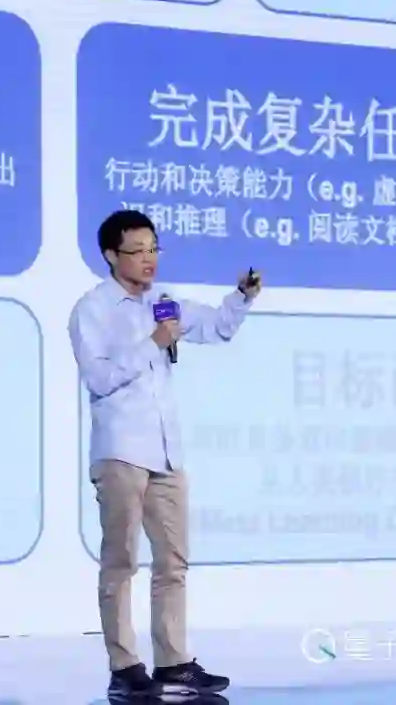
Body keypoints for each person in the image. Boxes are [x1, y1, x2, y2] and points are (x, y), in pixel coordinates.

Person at [68, 210, 261, 698]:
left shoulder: (165, 302)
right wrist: (153, 344)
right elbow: (99, 377)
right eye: (137, 250)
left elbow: (217, 328)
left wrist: (241, 297)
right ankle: (124, 667)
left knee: (173, 563)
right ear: (111, 255)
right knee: (121, 562)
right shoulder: (93, 309)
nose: (148, 259)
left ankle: (173, 662)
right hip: (121, 451)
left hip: (166, 453)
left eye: (154, 248)